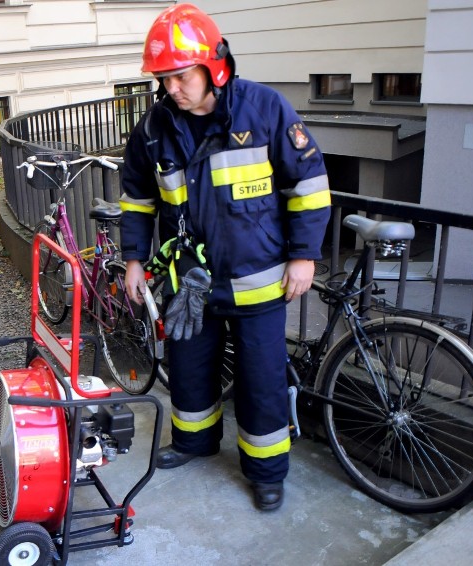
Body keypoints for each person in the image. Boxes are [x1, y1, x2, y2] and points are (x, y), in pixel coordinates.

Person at [119, 4, 331, 511]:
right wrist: (132, 260)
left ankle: (266, 471)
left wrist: (304, 256)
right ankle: (194, 441)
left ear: (214, 66)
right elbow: (136, 199)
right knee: (189, 368)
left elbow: (309, 184)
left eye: (181, 75)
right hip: (188, 280)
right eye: (164, 78)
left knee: (261, 381)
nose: (172, 88)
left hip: (257, 280)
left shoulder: (264, 109)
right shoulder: (153, 129)